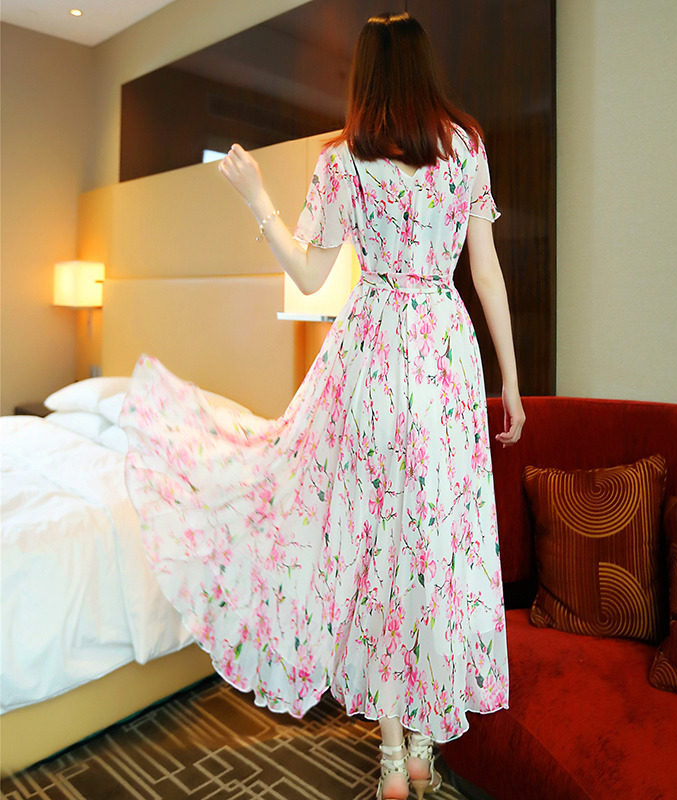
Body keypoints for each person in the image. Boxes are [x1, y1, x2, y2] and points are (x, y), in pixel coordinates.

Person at [120, 11, 524, 800]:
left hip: (371, 355)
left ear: (365, 76)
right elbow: (486, 271)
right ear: (425, 68)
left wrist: (256, 199)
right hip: (443, 358)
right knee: (432, 545)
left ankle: (392, 755)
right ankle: (423, 748)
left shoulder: (343, 160)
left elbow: (310, 277)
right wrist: (508, 377)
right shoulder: (465, 146)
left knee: (375, 550)